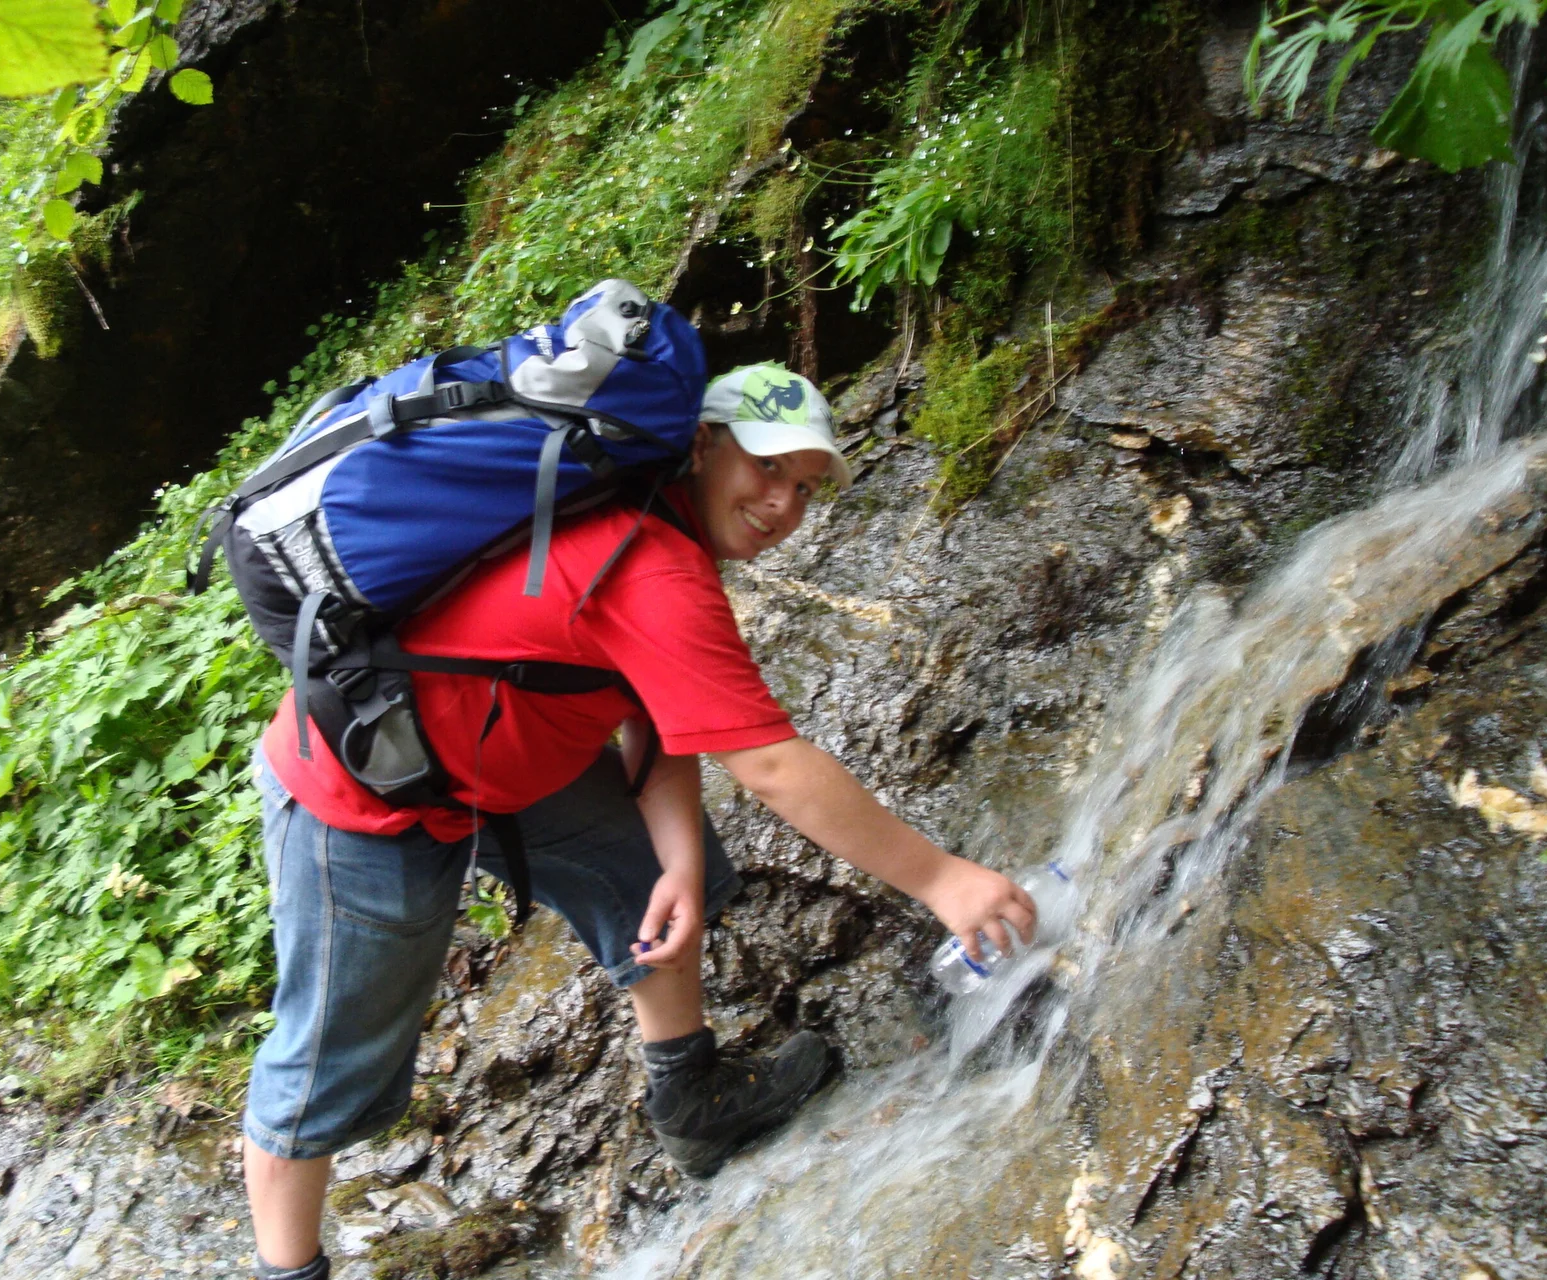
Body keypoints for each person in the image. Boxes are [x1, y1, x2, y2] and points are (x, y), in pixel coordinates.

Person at [242, 362, 1038, 1280]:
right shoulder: (648, 561)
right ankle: (287, 1269)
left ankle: (692, 1102)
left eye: (806, 488)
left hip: (502, 761)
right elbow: (774, 766)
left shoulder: (648, 525)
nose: (782, 504)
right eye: (768, 469)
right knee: (331, 1063)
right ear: (702, 445)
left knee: (656, 871)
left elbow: (652, 721)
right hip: (364, 794)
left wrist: (680, 866)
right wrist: (945, 880)